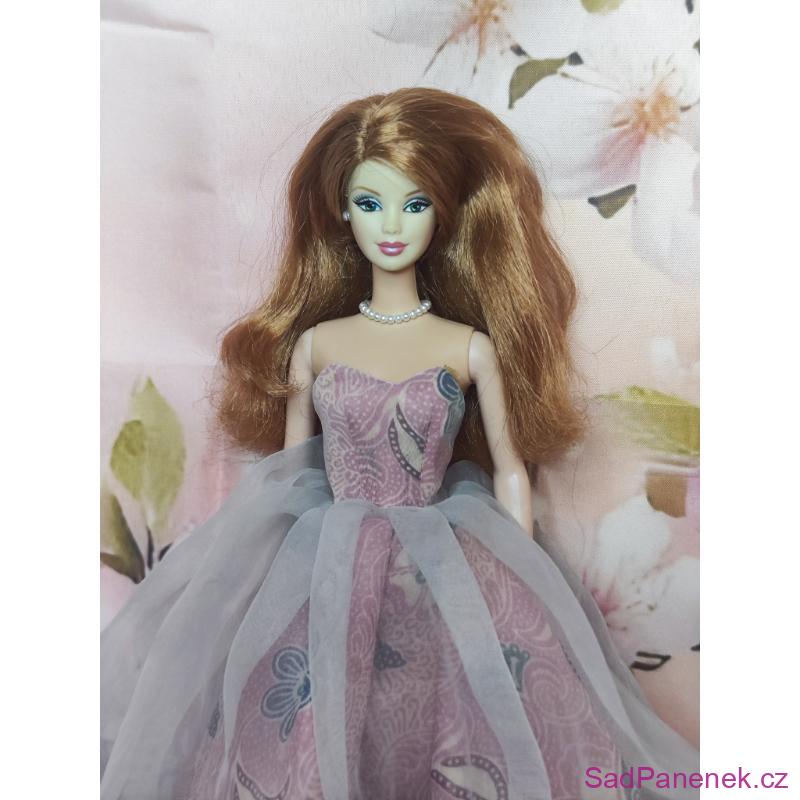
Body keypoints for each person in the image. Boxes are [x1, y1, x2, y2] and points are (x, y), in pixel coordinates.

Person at [100, 87, 700, 800]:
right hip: (327, 561)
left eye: (414, 204)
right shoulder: (317, 345)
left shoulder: (467, 347)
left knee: (451, 717)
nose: (391, 225)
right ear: (339, 210)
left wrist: (518, 578)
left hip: (441, 560)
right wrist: (269, 575)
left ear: (442, 214)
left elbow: (511, 470)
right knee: (318, 711)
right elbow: (290, 473)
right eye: (370, 202)